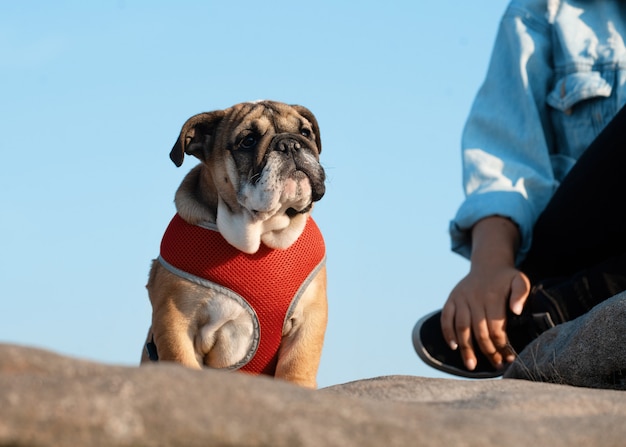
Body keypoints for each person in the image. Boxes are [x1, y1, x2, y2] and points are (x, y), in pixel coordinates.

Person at [413, 0, 626, 378]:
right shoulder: (542, 13)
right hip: (579, 244)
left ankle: (559, 308)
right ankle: (546, 308)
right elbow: (506, 159)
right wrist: (490, 266)